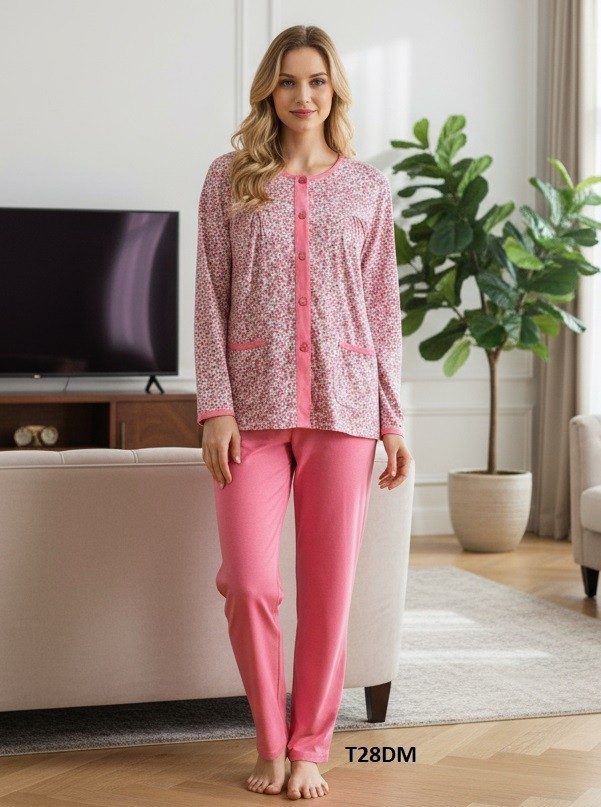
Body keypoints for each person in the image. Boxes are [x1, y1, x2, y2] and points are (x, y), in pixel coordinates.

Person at [194, 24, 411, 800]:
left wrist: (392, 419)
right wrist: (215, 406)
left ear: (334, 89)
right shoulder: (229, 179)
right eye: (287, 81)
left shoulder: (367, 188)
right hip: (249, 411)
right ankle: (269, 738)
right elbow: (208, 298)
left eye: (315, 80)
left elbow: (381, 310)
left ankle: (310, 744)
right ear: (268, 90)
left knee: (328, 589)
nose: (301, 95)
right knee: (249, 580)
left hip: (344, 407)